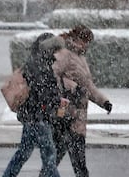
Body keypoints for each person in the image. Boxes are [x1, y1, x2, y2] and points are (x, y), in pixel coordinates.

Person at [48, 25, 112, 177]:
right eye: (85, 41)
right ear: (77, 39)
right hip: (65, 115)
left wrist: (103, 101)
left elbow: (88, 85)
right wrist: (72, 87)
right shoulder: (65, 54)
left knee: (74, 162)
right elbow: (51, 76)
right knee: (68, 161)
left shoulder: (80, 57)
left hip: (78, 117)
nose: (87, 45)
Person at [2, 33, 67, 177]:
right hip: (38, 117)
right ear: (48, 48)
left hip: (31, 117)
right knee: (49, 154)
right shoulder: (40, 65)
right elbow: (42, 92)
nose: (57, 52)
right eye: (55, 49)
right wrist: (57, 101)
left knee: (23, 153)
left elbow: (40, 90)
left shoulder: (35, 62)